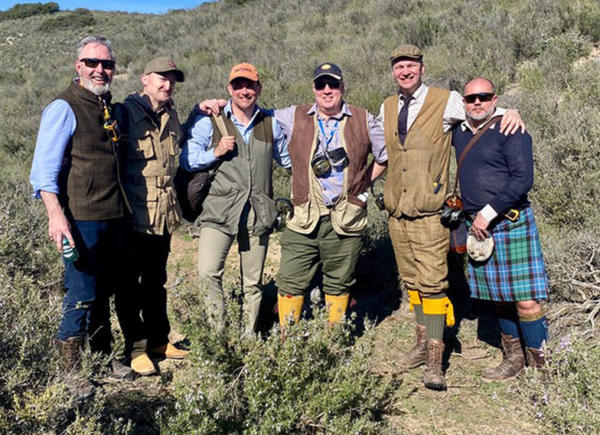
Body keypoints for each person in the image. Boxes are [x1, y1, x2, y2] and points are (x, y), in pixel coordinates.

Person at [379, 44, 524, 390]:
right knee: (412, 282)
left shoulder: (447, 100)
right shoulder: (386, 106)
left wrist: (508, 112)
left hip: (430, 214)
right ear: (393, 71)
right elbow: (384, 154)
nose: (405, 71)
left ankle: (434, 361)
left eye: (411, 65)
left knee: (432, 286)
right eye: (399, 66)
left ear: (422, 68)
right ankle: (419, 344)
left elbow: (481, 110)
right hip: (397, 213)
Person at [29, 35, 132, 398]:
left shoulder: (106, 106)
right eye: (92, 63)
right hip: (80, 218)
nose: (100, 70)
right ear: (78, 66)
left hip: (113, 215)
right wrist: (55, 216)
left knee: (105, 289)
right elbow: (43, 171)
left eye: (106, 64)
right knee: (82, 291)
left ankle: (102, 359)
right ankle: (69, 372)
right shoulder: (64, 106)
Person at [274, 63, 387, 329]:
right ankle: (288, 341)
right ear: (313, 89)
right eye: (321, 85)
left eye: (333, 84)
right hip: (303, 216)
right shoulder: (293, 115)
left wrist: (362, 183)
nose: (327, 90)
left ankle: (333, 339)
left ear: (342, 87)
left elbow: (385, 156)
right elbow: (252, 114)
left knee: (339, 282)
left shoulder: (363, 118)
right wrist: (218, 105)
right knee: (290, 280)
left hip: (346, 218)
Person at [180, 63, 290, 335]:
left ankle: (248, 338)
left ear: (259, 88)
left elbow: (289, 161)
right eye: (238, 85)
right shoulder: (210, 121)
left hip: (258, 213)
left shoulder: (271, 125)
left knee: (252, 284)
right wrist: (215, 152)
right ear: (229, 88)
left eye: (250, 85)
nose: (244, 91)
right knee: (207, 272)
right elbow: (188, 159)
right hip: (218, 212)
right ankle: (219, 336)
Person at [453, 77, 549, 381]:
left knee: (526, 299)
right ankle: (513, 360)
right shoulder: (458, 131)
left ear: (495, 99)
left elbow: (523, 179)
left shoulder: (511, 129)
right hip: (476, 226)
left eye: (485, 97)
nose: (478, 102)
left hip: (510, 220)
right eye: (471, 99)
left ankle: (542, 367)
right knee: (498, 295)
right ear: (463, 103)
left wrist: (488, 212)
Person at [116, 57, 189, 376]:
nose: (167, 84)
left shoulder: (171, 113)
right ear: (144, 79)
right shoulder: (125, 113)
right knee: (130, 285)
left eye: (171, 80)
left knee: (156, 280)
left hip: (163, 213)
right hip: (133, 213)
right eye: (161, 78)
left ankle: (160, 340)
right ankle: (136, 348)